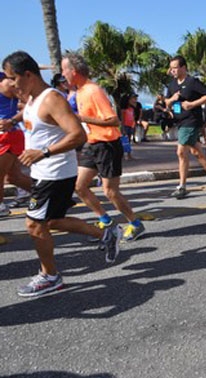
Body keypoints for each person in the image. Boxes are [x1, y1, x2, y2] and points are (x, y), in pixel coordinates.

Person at [3, 51, 122, 297]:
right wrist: (12, 121)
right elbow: (36, 119)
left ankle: (50, 276)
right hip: (43, 172)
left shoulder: (51, 98)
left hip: (54, 173)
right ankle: (106, 233)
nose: (10, 84)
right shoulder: (33, 99)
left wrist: (43, 152)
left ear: (28, 75)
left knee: (34, 225)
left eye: (12, 78)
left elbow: (77, 134)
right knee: (53, 221)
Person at [61, 52, 146, 242]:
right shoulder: (79, 91)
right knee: (79, 186)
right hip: (92, 144)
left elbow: (114, 120)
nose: (62, 74)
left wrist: (82, 118)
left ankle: (135, 223)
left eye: (64, 69)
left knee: (110, 192)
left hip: (107, 144)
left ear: (74, 71)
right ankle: (105, 220)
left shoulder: (93, 91)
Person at [165, 55, 206, 198]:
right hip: (180, 121)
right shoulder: (171, 84)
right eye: (171, 68)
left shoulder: (193, 82)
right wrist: (172, 99)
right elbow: (166, 102)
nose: (173, 71)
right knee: (196, 152)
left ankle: (182, 186)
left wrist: (192, 104)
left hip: (191, 121)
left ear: (183, 67)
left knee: (181, 152)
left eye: (175, 68)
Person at [0, 71, 32, 216]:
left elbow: (30, 104)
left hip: (8, 134)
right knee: (12, 177)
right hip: (9, 135)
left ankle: (0, 207)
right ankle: (49, 193)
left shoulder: (6, 83)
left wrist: (12, 120)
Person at [119, 93, 136, 160]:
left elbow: (133, 117)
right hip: (125, 126)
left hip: (130, 125)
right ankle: (122, 155)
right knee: (124, 141)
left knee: (128, 141)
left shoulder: (132, 109)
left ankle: (129, 155)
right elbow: (123, 119)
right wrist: (122, 127)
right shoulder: (123, 110)